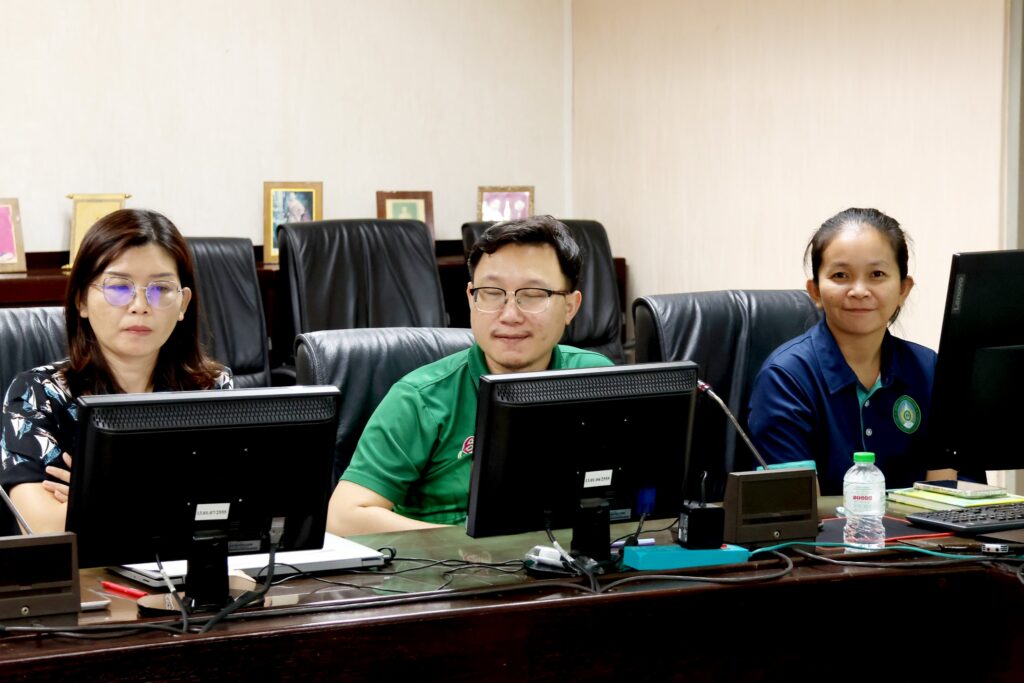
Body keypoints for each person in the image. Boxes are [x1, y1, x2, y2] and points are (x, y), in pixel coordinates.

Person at [327, 216, 613, 535]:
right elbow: (343, 517)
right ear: (470, 299)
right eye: (491, 293)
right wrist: (469, 545)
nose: (510, 315)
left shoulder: (597, 380)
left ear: (571, 306)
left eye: (533, 294)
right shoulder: (420, 399)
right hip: (447, 565)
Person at [0, 209, 232, 535]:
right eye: (119, 287)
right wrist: (175, 496)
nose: (140, 305)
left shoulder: (211, 389)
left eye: (160, 289)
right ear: (82, 299)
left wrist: (99, 496)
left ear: (183, 304)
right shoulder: (37, 395)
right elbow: (43, 528)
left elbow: (231, 513)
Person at [747, 207, 953, 495]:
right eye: (841, 275)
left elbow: (949, 494)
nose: (859, 290)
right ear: (815, 291)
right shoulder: (786, 378)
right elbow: (797, 506)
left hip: (920, 528)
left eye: (877, 274)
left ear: (903, 290)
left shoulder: (928, 369)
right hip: (825, 528)